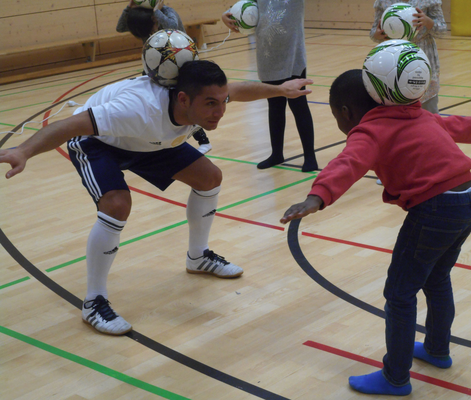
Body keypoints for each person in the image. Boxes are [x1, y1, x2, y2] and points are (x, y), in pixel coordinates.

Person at [0, 60, 313, 336]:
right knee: (117, 204)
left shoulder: (201, 94)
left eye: (222, 102)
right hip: (99, 142)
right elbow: (69, 125)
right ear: (182, 98)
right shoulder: (137, 108)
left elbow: (238, 89)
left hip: (150, 142)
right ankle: (93, 301)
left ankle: (198, 256)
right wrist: (23, 151)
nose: (219, 112)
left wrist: (281, 89)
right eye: (210, 104)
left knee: (209, 177)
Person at [280, 69, 471, 396]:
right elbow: (456, 124)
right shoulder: (416, 114)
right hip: (468, 198)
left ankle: (395, 377)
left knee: (399, 294)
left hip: (435, 209)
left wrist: (316, 196)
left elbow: (347, 163)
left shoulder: (370, 131)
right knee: (436, 278)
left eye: (336, 116)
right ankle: (436, 349)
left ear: (346, 113)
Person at [222, 0, 318, 172]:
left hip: (293, 56)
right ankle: (277, 154)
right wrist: (227, 14)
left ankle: (310, 156)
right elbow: (247, 6)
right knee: (274, 105)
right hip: (267, 56)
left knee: (299, 106)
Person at [117, 0, 212, 154]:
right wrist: (128, 8)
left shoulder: (166, 13)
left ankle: (203, 141)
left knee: (181, 104)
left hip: (180, 66)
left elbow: (173, 27)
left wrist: (157, 11)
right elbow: (120, 27)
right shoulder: (142, 17)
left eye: (153, 23)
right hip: (156, 69)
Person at [370, 0, 447, 114]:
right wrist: (378, 34)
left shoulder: (429, 1)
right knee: (395, 109)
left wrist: (427, 21)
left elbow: (442, 31)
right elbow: (374, 34)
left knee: (429, 111)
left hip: (422, 59)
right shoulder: (383, 2)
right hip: (393, 61)